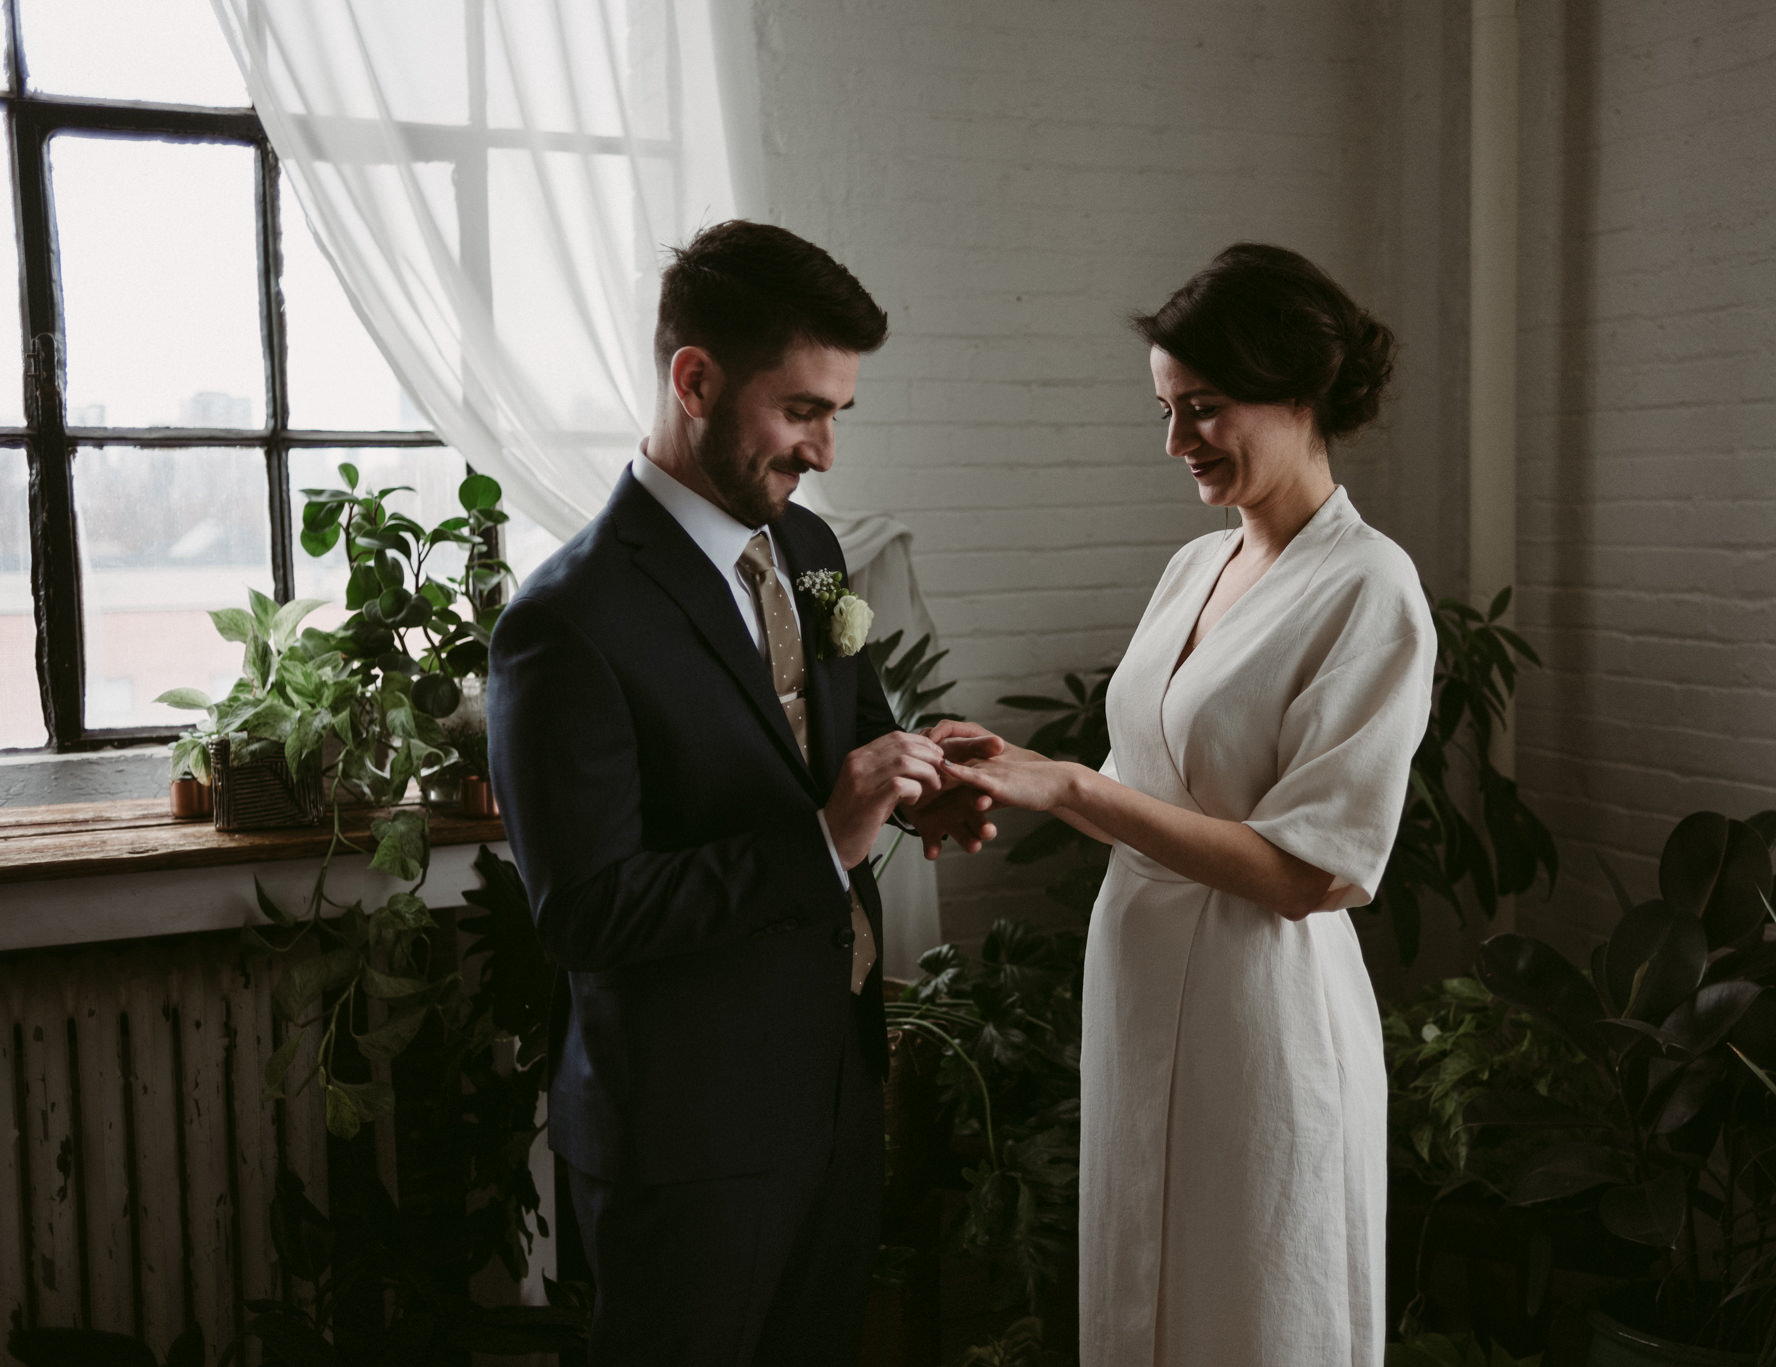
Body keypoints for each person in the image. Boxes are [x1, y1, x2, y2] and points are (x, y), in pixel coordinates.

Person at [488, 220, 1000, 1365]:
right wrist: (823, 840)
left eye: (836, 414)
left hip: (830, 1096)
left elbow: (840, 737)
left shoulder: (808, 550)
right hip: (683, 1138)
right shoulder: (563, 623)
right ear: (695, 379)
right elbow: (585, 913)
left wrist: (914, 784)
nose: (823, 449)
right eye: (801, 409)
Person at [942, 243, 1435, 1366]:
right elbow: (1143, 786)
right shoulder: (1191, 569)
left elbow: (1311, 870)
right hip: (1139, 981)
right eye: (1164, 410)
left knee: (1253, 1299)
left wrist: (1069, 785)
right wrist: (1014, 769)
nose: (1176, 443)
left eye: (1202, 408)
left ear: (1299, 390)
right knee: (1139, 1292)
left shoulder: (1369, 587)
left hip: (1257, 1003)